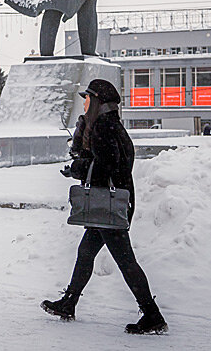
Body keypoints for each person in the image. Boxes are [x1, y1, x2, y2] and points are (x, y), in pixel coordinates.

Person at [42, 79, 168, 335]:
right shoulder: (109, 126)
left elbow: (107, 166)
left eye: (88, 98)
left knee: (125, 261)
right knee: (86, 252)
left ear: (98, 102)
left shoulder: (105, 128)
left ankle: (152, 315)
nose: (85, 103)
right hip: (108, 204)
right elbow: (106, 160)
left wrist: (79, 168)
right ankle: (69, 302)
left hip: (108, 206)